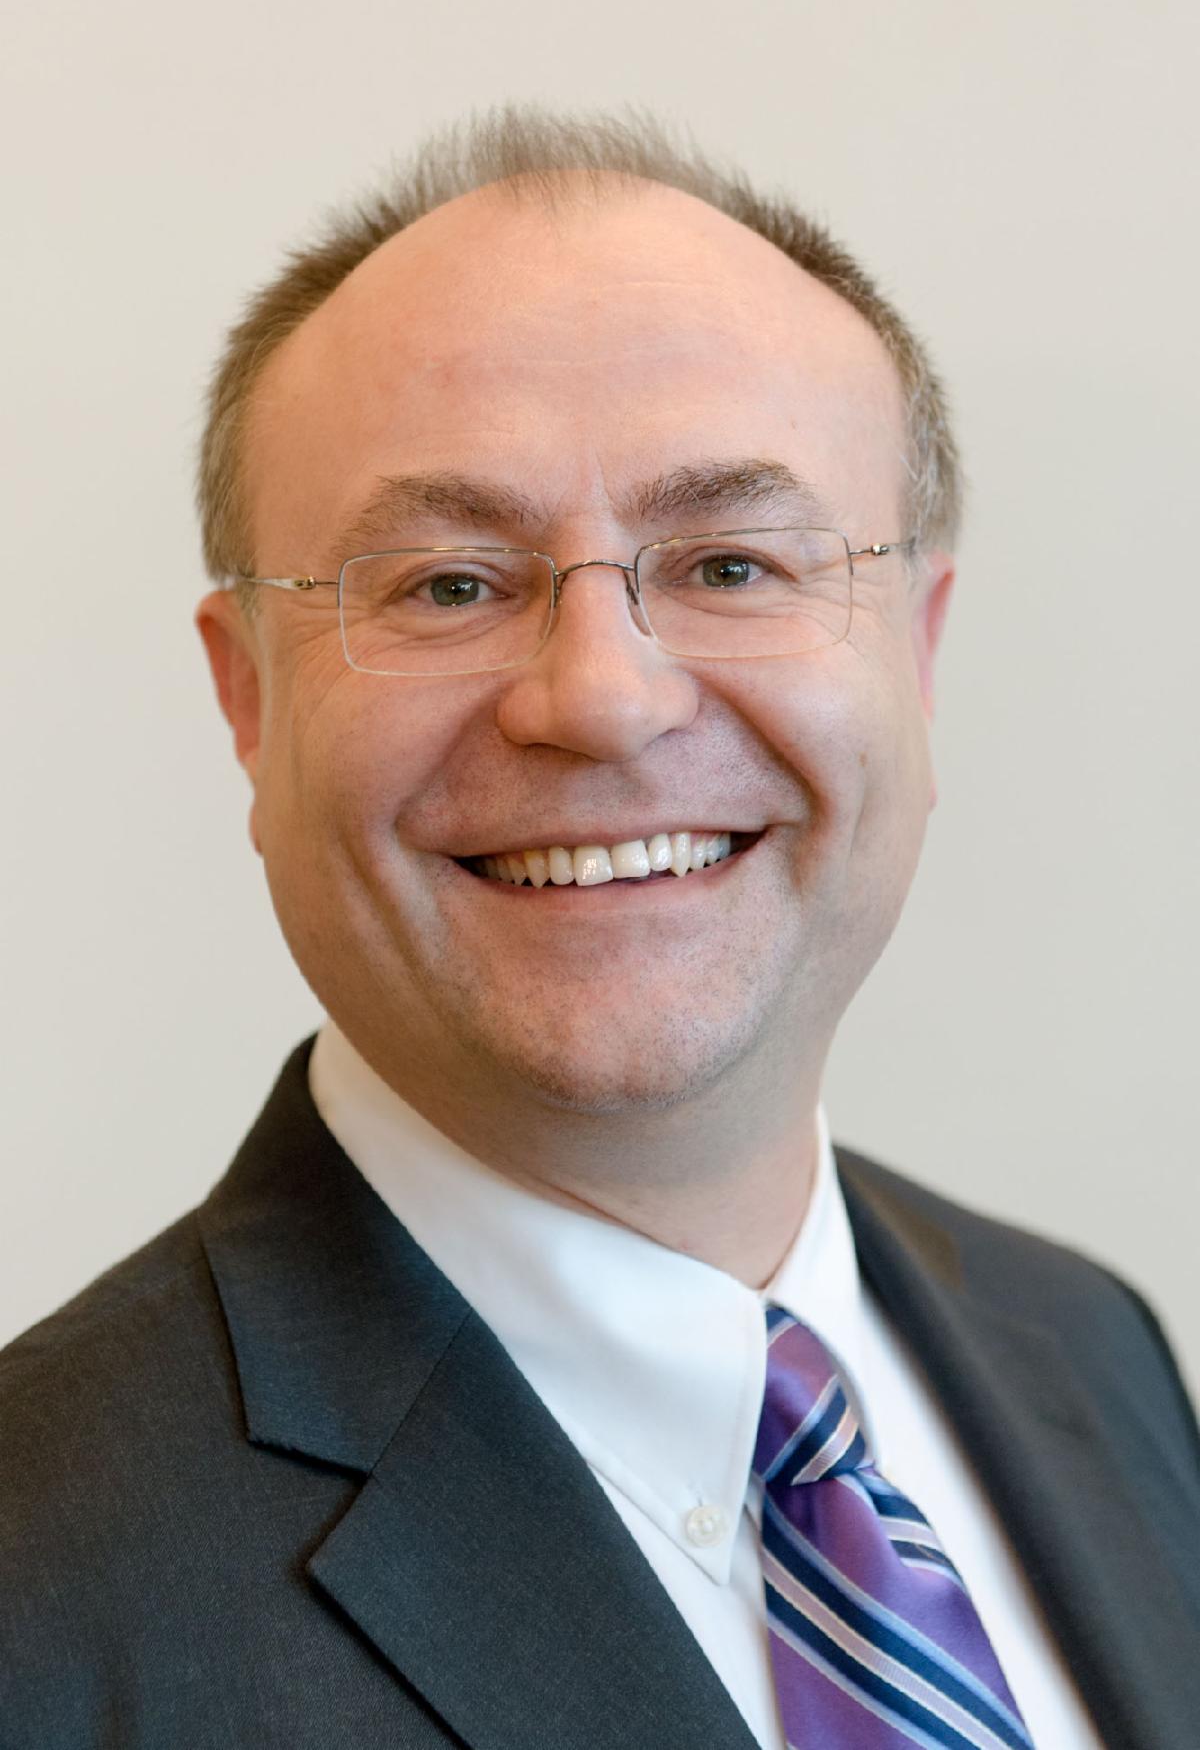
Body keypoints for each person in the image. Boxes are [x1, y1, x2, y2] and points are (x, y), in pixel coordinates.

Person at [1, 109, 1197, 1750]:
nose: (602, 698)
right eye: (447, 585)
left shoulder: (1093, 1353)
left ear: (917, 656)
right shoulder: (36, 1588)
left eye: (731, 564)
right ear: (247, 699)